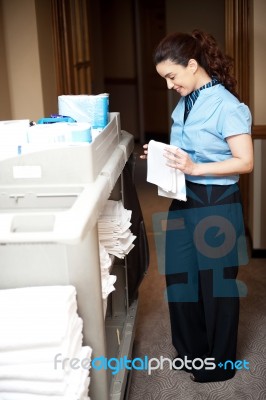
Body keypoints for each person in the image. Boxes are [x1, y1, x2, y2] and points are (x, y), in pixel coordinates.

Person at [140, 29, 253, 383]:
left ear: (192, 65)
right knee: (179, 279)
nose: (170, 84)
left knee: (215, 285)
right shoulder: (186, 102)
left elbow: (245, 162)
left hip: (215, 202)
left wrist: (195, 167)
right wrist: (162, 156)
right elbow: (188, 150)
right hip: (183, 199)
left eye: (172, 76)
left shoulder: (228, 105)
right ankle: (191, 353)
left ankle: (217, 365)